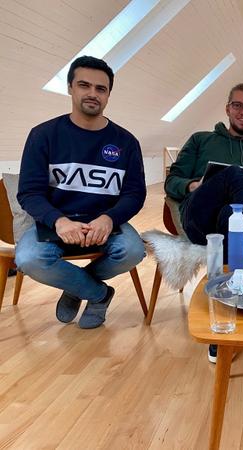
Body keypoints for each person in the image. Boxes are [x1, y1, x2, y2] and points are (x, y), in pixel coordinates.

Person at [15, 56, 146, 329]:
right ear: (70, 88)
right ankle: (99, 293)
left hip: (104, 224)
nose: (92, 94)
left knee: (133, 251)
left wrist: (109, 219)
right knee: (29, 258)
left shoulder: (126, 142)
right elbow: (29, 192)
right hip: (56, 224)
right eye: (84, 85)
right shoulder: (44, 135)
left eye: (101, 89)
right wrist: (59, 221)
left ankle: (77, 287)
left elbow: (134, 193)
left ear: (109, 94)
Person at [165, 82, 243, 363]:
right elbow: (172, 181)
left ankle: (229, 319)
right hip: (199, 218)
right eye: (238, 105)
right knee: (234, 175)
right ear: (227, 108)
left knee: (238, 216)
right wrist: (194, 185)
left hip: (237, 221)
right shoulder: (201, 140)